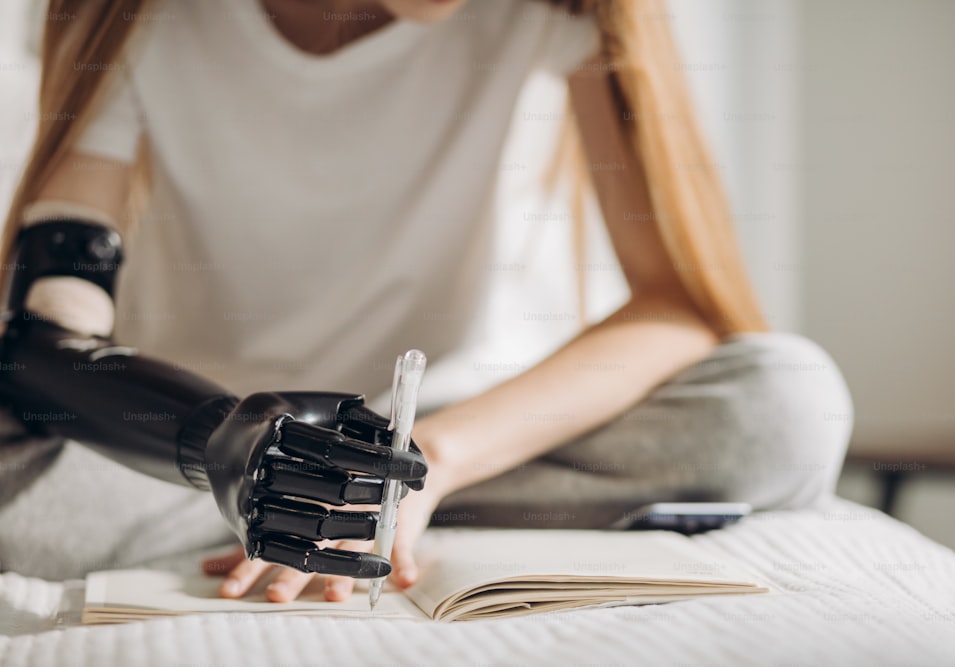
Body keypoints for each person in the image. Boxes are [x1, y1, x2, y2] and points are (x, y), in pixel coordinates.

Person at [0, 0, 853, 604]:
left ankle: (359, 502)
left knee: (784, 400)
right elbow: (45, 344)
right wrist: (224, 438)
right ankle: (302, 501)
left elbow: (673, 303)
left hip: (432, 427)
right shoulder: (142, 14)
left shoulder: (558, 9)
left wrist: (434, 458)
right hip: (175, 438)